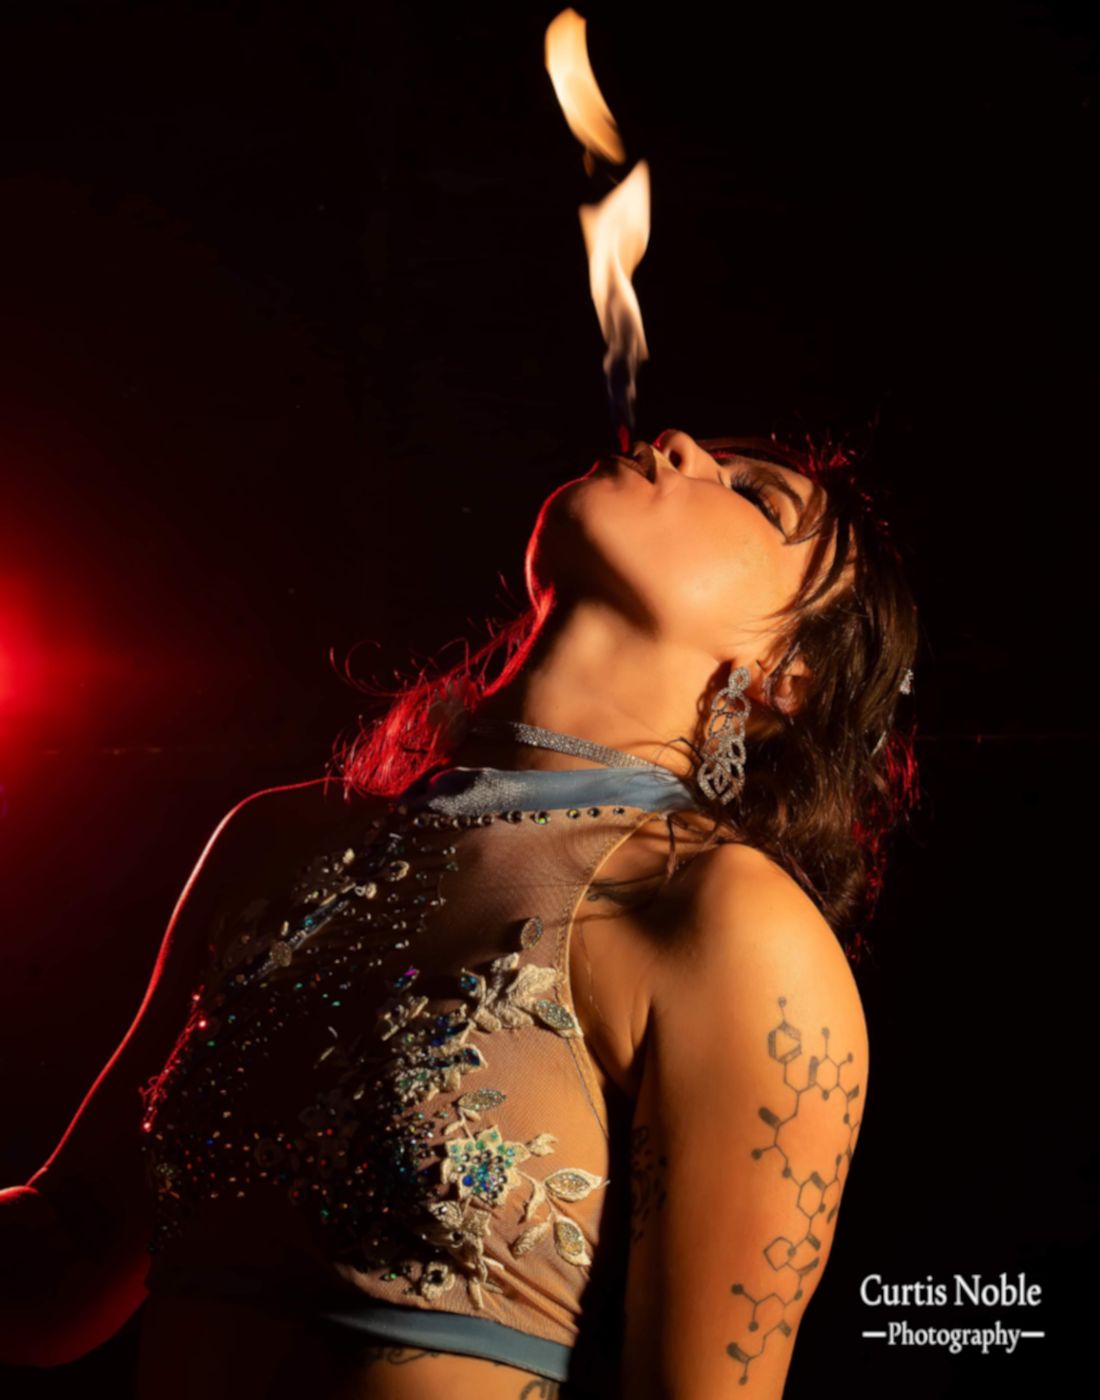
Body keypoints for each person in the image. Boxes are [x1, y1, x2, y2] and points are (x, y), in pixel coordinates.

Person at [0, 428, 919, 1398]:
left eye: (756, 498)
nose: (679, 443)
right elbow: (54, 1272)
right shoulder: (272, 844)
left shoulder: (722, 922)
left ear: (784, 676)